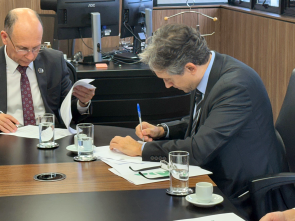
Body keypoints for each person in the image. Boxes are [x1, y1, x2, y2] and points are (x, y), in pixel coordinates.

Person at [109, 24, 289, 218]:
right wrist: (163, 130)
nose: (167, 85)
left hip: (245, 192)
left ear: (190, 67)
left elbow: (199, 150)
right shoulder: (212, 70)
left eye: (169, 79)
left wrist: (141, 150)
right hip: (217, 174)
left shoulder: (236, 86)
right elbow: (206, 119)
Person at [0, 8, 95, 133]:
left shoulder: (54, 61)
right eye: (23, 48)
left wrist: (82, 103)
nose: (31, 56)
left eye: (36, 47)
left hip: (49, 142)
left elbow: (68, 113)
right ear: (5, 37)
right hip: (3, 144)